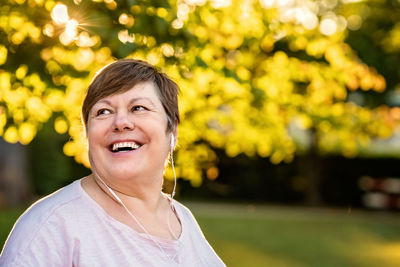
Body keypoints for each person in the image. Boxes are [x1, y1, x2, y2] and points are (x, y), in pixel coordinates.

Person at [0, 59, 226, 266]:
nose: (121, 122)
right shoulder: (50, 227)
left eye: (138, 108)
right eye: (103, 111)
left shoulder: (181, 217)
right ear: (88, 134)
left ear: (172, 128)